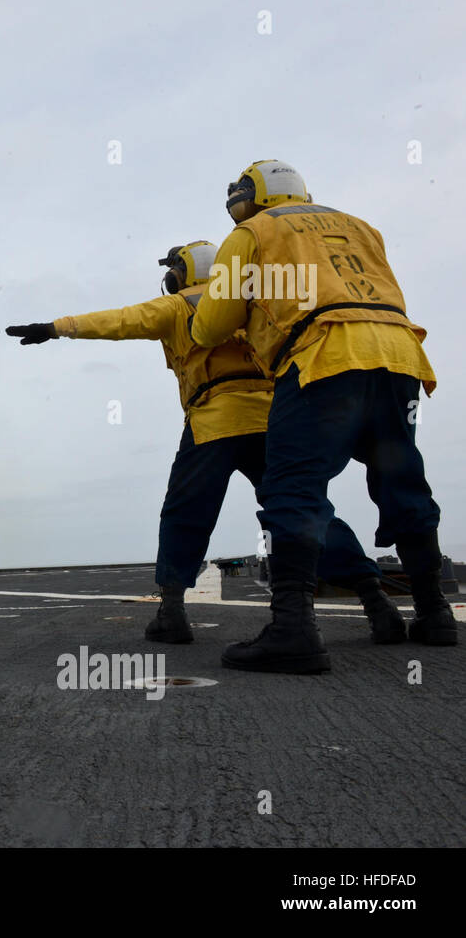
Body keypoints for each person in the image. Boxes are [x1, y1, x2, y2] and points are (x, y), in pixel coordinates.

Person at [5, 241, 401, 649]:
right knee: (305, 510)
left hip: (214, 419)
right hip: (274, 421)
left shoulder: (178, 305)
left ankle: (172, 612)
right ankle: (377, 603)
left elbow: (120, 321)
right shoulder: (253, 302)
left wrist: (55, 328)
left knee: (185, 514)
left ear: (182, 272)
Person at [191, 159, 454, 673]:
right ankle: (434, 612)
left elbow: (212, 324)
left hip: (322, 357)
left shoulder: (254, 231)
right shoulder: (360, 226)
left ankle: (293, 628)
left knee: (293, 487)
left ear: (250, 196)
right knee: (402, 479)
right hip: (398, 356)